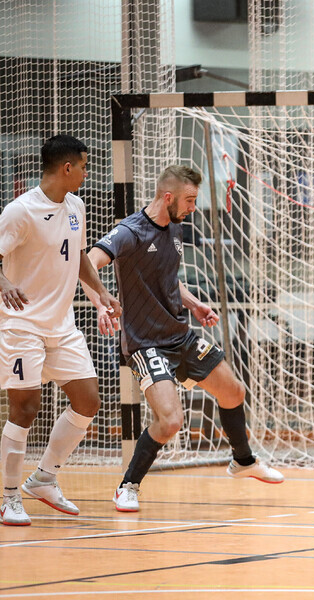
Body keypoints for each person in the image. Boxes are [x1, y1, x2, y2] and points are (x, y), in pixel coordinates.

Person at [84, 165, 282, 513]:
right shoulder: (130, 232)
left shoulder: (174, 227)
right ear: (168, 196)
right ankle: (128, 486)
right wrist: (101, 302)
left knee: (233, 391)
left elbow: (166, 276)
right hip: (145, 342)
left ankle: (243, 461)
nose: (194, 207)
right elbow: (88, 262)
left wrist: (194, 303)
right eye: (190, 200)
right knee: (172, 421)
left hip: (179, 335)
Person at [0, 135, 122, 526]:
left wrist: (101, 293)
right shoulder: (20, 212)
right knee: (25, 408)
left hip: (62, 324)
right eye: (84, 166)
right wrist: (4, 284)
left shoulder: (76, 206)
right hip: (22, 325)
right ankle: (7, 497)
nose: (87, 173)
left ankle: (44, 478)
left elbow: (80, 254)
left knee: (87, 401)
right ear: (67, 168)